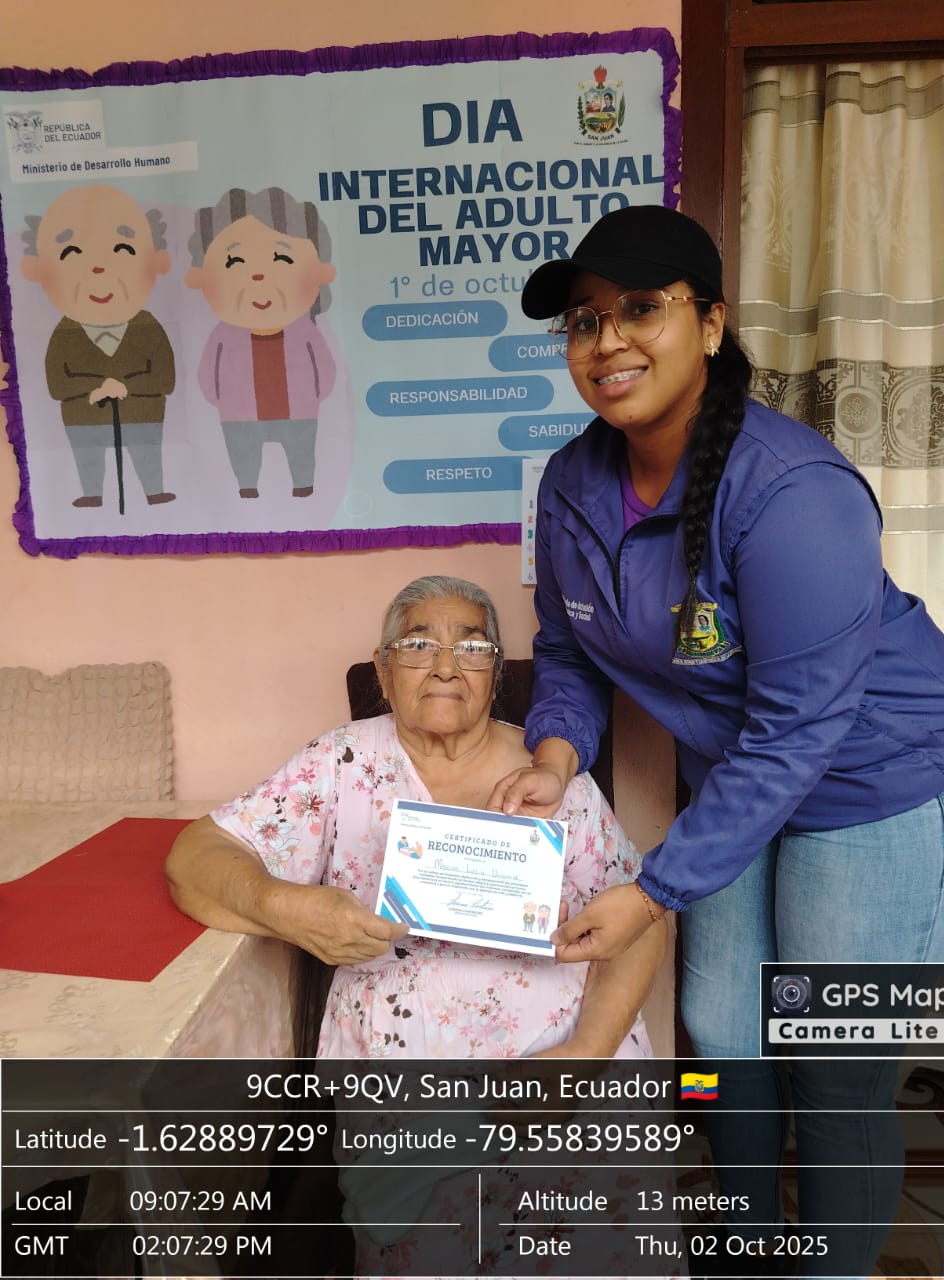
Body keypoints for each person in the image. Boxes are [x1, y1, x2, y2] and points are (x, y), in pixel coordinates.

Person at [489, 203, 944, 1279]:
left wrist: (653, 891)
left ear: (709, 323)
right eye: (583, 320)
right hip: (741, 787)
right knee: (721, 1033)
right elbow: (566, 650)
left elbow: (800, 731)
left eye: (638, 309)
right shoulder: (571, 484)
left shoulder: (792, 491)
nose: (606, 340)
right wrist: (554, 757)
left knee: (833, 1070)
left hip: (877, 781)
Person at [166, 574, 676, 1276]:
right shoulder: (340, 764)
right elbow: (194, 858)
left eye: (471, 647)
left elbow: (645, 920)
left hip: (566, 1056)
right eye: (417, 644)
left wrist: (586, 1055)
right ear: (383, 671)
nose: (444, 665)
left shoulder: (553, 778)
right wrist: (289, 908)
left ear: (495, 677)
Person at [21, 184, 176, 508]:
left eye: (122, 249)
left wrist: (125, 386)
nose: (98, 268)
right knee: (88, 454)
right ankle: (93, 493)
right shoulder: (63, 332)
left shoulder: (149, 326)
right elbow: (56, 383)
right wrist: (94, 388)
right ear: (38, 270)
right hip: (83, 417)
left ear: (156, 261)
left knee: (147, 450)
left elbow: (165, 377)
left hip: (143, 414)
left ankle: (153, 490)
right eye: (71, 253)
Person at [185, 186, 337, 499]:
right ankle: (247, 486)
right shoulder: (224, 333)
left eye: (281, 258)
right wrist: (218, 398)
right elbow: (208, 372)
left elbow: (324, 369)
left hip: (299, 410)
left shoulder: (304, 330)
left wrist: (316, 394)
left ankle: (303, 485)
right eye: (234, 262)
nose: (258, 276)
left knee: (300, 451)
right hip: (238, 413)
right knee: (244, 452)